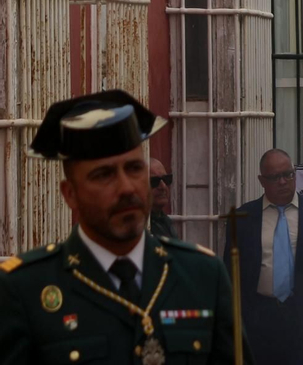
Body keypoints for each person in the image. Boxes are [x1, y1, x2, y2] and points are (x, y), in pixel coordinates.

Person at [0, 90, 247, 364]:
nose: (127, 188)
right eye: (104, 175)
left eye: (134, 169)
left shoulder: (202, 275)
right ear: (70, 194)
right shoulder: (23, 290)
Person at [228, 149, 303, 365]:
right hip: (259, 318)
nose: (283, 182)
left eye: (288, 175)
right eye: (275, 177)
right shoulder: (243, 218)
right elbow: (231, 274)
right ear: (261, 181)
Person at [148, 157, 176, 239]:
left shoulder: (165, 221)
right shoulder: (136, 226)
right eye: (154, 181)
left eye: (166, 179)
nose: (163, 186)